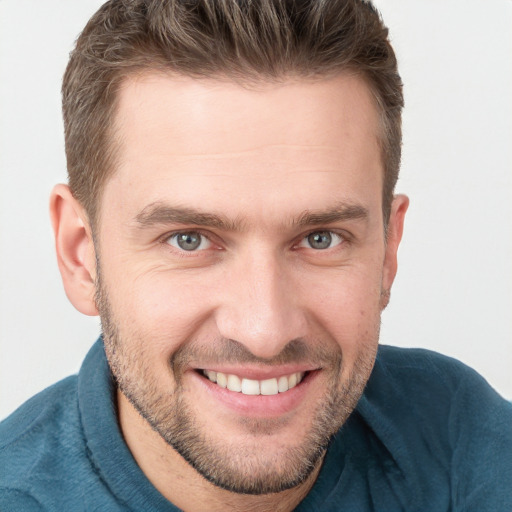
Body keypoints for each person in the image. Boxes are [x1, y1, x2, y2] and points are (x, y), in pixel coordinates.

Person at [0, 0, 510, 510]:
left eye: (320, 239)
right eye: (189, 239)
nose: (264, 332)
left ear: (387, 252)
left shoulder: (461, 441)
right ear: (80, 254)